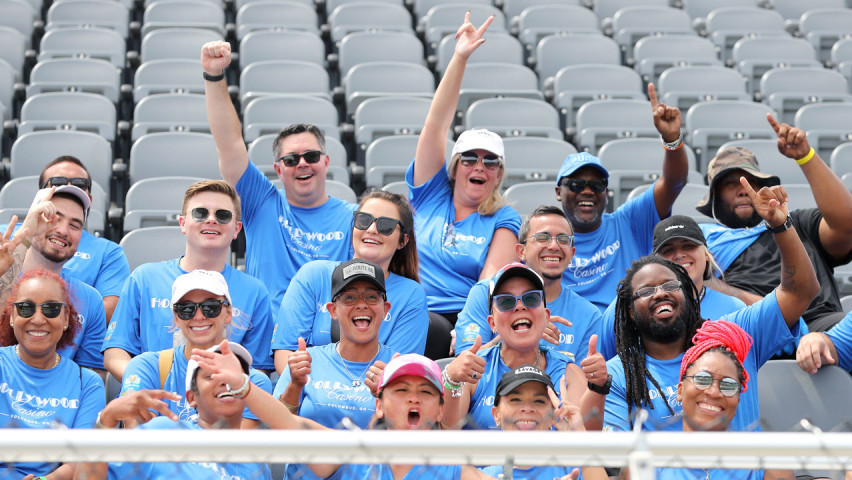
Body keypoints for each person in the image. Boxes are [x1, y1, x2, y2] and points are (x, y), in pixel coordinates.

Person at [602, 175, 819, 434]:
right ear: (630, 311)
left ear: (690, 296)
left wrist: (780, 226)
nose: (660, 293)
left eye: (671, 285)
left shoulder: (734, 332)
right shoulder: (618, 372)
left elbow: (800, 291)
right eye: (648, 290)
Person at [201, 41, 357, 314]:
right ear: (279, 169)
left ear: (326, 162)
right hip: (265, 334)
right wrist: (214, 77)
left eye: (311, 156)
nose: (302, 164)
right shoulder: (260, 202)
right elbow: (229, 143)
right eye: (291, 159)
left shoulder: (355, 217)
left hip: (329, 336)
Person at [194, 345, 496, 479]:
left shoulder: (455, 471)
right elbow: (285, 420)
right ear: (378, 404)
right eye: (401, 391)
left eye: (425, 392)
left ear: (441, 408)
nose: (413, 400)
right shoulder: (352, 451)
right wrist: (243, 386)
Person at [406, 14, 521, 324]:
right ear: (455, 168)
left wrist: (469, 328)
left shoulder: (504, 217)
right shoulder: (430, 195)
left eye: (490, 161)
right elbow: (436, 125)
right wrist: (459, 58)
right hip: (409, 312)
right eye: (469, 158)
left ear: (498, 174)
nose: (479, 166)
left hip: (462, 318)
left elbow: (489, 285)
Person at [103, 180, 274, 381]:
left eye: (223, 215)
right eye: (200, 213)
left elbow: (258, 367)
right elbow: (115, 353)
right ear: (183, 223)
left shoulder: (254, 291)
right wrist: (148, 385)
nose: (211, 220)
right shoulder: (144, 279)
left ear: (236, 229)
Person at [697, 116, 852, 332]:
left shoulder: (797, 223)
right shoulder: (702, 241)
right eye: (730, 184)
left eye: (751, 181)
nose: (743, 190)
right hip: (751, 334)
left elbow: (846, 226)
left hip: (821, 325)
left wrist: (806, 157)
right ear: (714, 197)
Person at [555, 84, 689, 312]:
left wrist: (672, 140)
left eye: (597, 185)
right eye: (577, 185)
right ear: (558, 192)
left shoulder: (629, 221)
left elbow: (674, 182)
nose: (587, 191)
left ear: (606, 192)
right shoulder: (546, 239)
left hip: (626, 329)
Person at [271, 190, 428, 373]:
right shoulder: (313, 275)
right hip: (307, 394)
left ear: (403, 240)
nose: (371, 229)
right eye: (363, 220)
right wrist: (315, 394)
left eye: (386, 225)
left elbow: (398, 371)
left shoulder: (411, 295)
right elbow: (286, 354)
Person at [273, 259, 397, 480]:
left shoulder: (398, 366)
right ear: (332, 310)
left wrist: (388, 398)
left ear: (385, 308)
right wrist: (294, 386)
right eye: (349, 297)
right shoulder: (306, 361)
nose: (361, 304)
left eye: (372, 297)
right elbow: (274, 433)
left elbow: (415, 443)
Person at [442, 263, 603, 430]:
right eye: (506, 301)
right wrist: (451, 380)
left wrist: (597, 389)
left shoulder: (569, 374)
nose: (520, 306)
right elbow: (446, 433)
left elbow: (590, 448)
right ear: (492, 323)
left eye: (531, 298)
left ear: (546, 316)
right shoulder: (475, 371)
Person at [78, 342, 272, 480]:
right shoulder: (162, 433)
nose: (225, 380)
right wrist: (106, 421)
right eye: (211, 375)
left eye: (235, 374)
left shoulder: (256, 461)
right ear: (192, 398)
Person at [116, 269, 271, 428]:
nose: (199, 317)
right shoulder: (146, 367)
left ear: (229, 313)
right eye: (186, 309)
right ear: (176, 318)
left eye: (210, 307)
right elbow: (138, 441)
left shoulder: (255, 381)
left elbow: (235, 448)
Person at [455, 205, 602, 364]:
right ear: (521, 251)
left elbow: (582, 383)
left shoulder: (589, 315)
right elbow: (463, 366)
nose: (553, 246)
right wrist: (513, 337)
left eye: (563, 239)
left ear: (572, 253)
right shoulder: (486, 293)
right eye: (542, 238)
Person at [0, 269, 106, 479]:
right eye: (25, 308)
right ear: (12, 316)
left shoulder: (87, 384)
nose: (38, 319)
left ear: (66, 318)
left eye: (51, 309)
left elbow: (81, 459)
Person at [597, 215, 747, 360]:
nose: (679, 255)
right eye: (668, 250)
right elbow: (607, 364)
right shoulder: (626, 308)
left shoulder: (735, 309)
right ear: (655, 261)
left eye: (689, 246)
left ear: (707, 254)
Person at [7, 186, 108, 374]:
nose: (63, 230)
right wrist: (27, 235)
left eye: (75, 225)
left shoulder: (91, 299)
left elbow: (92, 379)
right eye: (54, 218)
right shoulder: (3, 274)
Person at [39, 155, 130, 322]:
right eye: (58, 182)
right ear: (39, 194)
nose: (68, 187)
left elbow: (107, 315)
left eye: (79, 185)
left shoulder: (108, 252)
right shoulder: (6, 235)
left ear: (89, 199)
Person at [481, 365, 608, 480]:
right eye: (516, 399)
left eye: (539, 401)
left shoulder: (579, 470)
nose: (527, 408)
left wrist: (580, 435)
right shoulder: (481, 476)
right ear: (496, 415)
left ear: (552, 416)